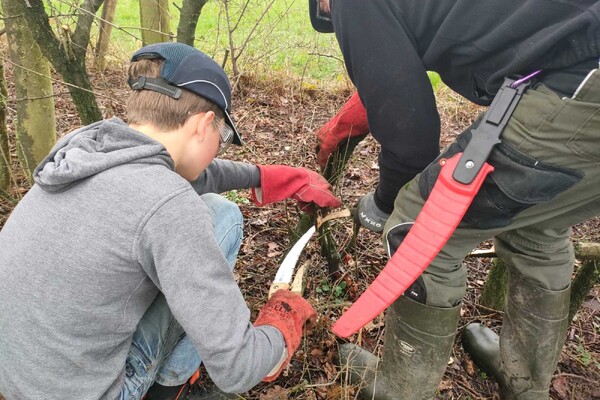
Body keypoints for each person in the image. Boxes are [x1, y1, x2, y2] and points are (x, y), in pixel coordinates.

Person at [0, 42, 342, 400]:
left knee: (216, 211)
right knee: (224, 217)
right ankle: (168, 391)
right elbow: (238, 368)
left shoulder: (87, 149)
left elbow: (186, 174)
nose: (217, 150)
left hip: (19, 376)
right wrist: (282, 319)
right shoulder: (169, 206)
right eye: (222, 138)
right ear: (204, 124)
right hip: (94, 393)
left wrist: (272, 178)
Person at [309, 0, 600, 399]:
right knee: (538, 225)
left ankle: (400, 389)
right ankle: (525, 381)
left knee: (418, 227)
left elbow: (410, 139)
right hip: (580, 60)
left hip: (579, 80)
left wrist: (385, 202)